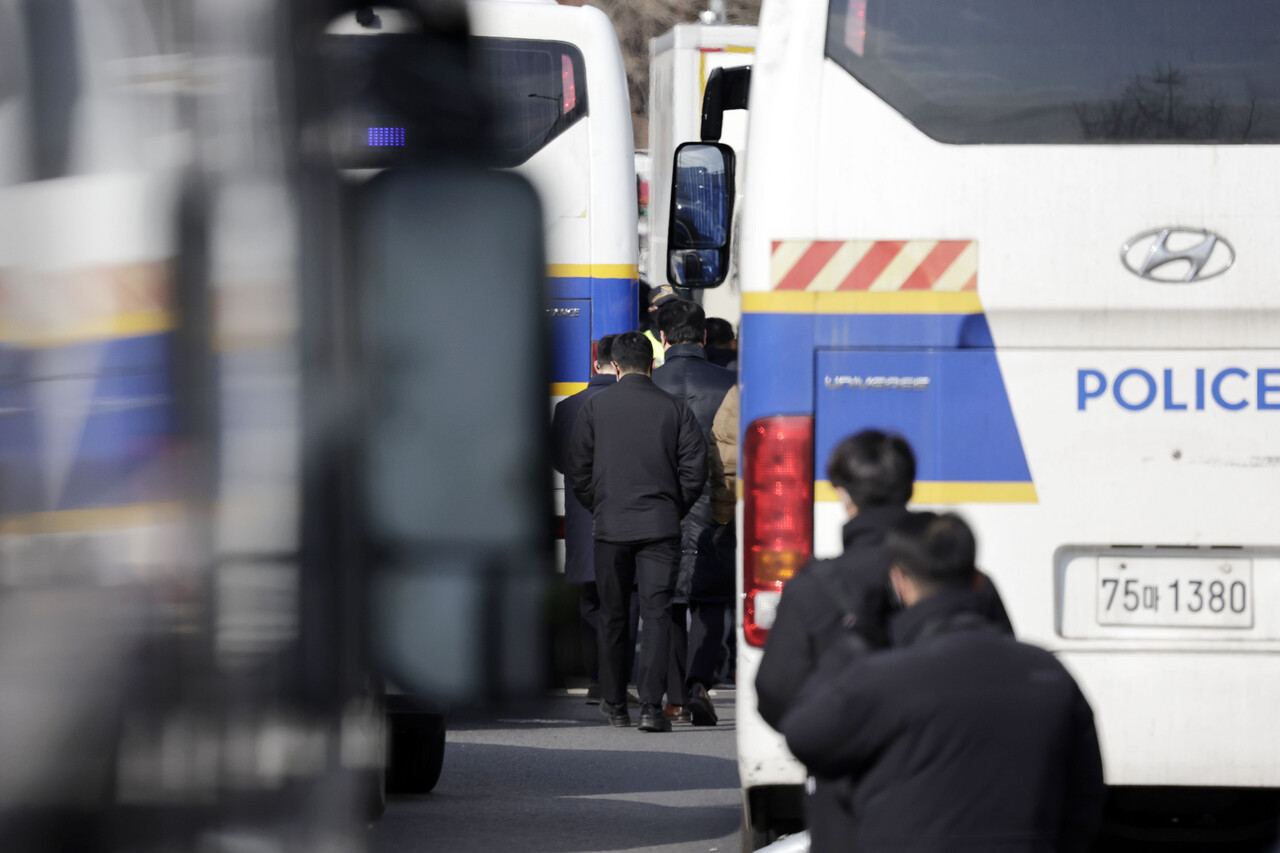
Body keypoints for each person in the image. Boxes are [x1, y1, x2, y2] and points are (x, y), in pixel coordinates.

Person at [781, 514, 1107, 852]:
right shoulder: (1049, 675)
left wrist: (855, 639)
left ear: (899, 581)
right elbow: (1083, 801)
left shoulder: (882, 680)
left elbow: (804, 733)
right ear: (977, 579)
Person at [566, 331, 707, 732]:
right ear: (653, 364)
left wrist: (600, 503)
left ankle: (614, 703)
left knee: (613, 615)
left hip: (610, 526)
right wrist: (672, 507)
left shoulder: (594, 408)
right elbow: (695, 469)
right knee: (656, 614)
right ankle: (650, 707)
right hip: (660, 527)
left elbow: (578, 469)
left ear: (614, 366)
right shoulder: (675, 408)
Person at [651, 299, 735, 726]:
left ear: (662, 337)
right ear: (703, 336)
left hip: (661, 506)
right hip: (717, 504)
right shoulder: (730, 383)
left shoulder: (647, 384)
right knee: (711, 600)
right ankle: (701, 681)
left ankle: (676, 695)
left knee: (665, 599)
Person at [550, 334, 623, 702]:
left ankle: (595, 678)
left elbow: (558, 459)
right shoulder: (628, 403)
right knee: (622, 600)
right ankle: (616, 681)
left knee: (589, 601)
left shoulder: (568, 407)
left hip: (581, 515)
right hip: (622, 513)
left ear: (596, 364)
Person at [643, 284, 680, 367]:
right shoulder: (642, 341)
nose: (670, 311)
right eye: (663, 307)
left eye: (675, 306)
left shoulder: (689, 338)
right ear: (650, 310)